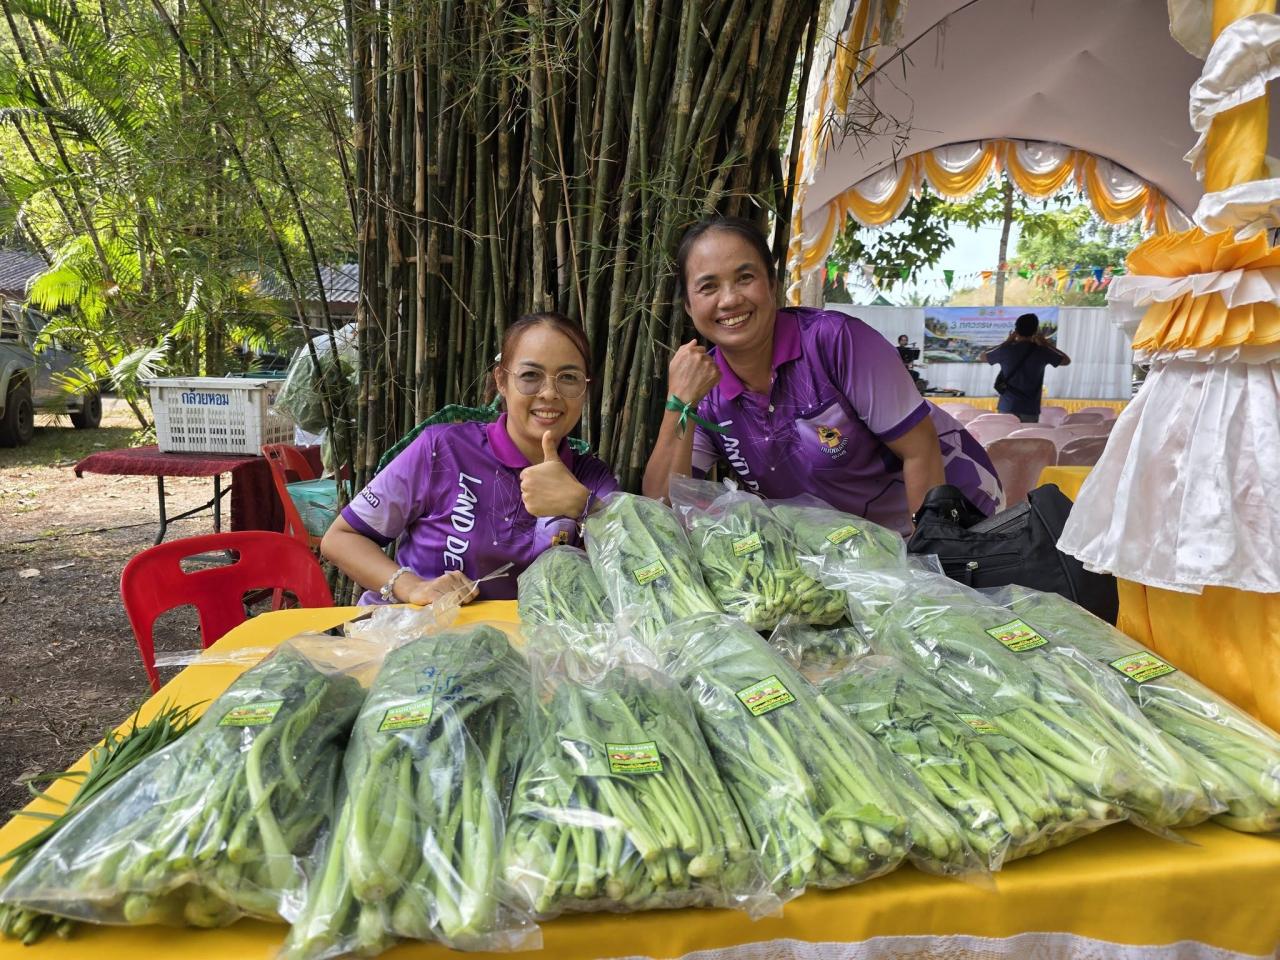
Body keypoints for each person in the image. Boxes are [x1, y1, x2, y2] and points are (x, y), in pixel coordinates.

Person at [642, 217, 1002, 535]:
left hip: (950, 511)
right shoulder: (706, 389)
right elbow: (663, 506)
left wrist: (926, 562)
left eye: (745, 278)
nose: (729, 299)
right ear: (689, 307)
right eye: (708, 287)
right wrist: (679, 404)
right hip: (849, 548)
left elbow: (920, 451)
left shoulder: (835, 342)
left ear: (772, 283)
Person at [322, 312, 619, 605]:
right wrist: (412, 587)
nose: (549, 393)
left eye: (569, 378)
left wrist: (584, 506)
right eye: (530, 376)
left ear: (585, 389)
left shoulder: (592, 479)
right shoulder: (442, 449)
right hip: (415, 637)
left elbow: (641, 572)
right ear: (501, 381)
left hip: (520, 650)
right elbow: (341, 538)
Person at [982, 313, 1072, 422]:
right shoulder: (1042, 351)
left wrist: (1007, 342)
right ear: (1036, 331)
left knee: (1006, 436)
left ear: (1016, 330)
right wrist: (1046, 344)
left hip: (1007, 406)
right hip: (1030, 408)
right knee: (1026, 437)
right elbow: (1066, 361)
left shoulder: (1006, 350)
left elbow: (982, 356)